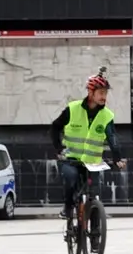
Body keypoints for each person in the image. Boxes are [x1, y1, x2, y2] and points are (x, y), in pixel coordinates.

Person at [50, 66, 125, 217]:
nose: (104, 97)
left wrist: (117, 158)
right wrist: (59, 149)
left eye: (106, 93)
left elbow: (113, 138)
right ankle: (68, 208)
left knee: (94, 194)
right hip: (71, 159)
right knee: (71, 180)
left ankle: (96, 233)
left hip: (93, 162)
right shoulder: (73, 109)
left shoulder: (107, 115)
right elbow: (55, 127)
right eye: (101, 93)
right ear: (91, 93)